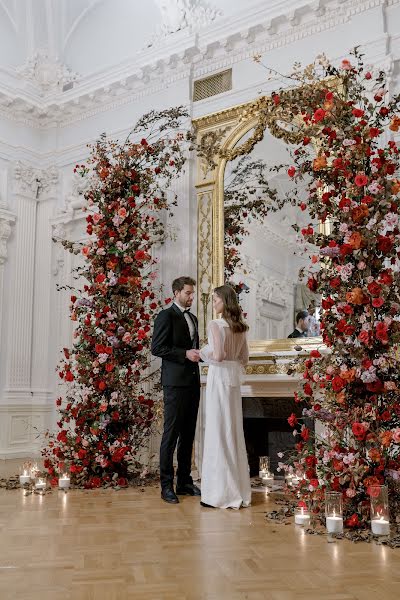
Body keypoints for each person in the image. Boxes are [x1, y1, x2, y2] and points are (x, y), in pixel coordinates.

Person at [199, 284, 251, 509]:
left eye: (216, 299)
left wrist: (201, 353)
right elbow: (245, 358)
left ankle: (219, 494)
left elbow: (218, 356)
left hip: (219, 379)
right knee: (232, 430)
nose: (214, 303)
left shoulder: (215, 325)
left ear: (225, 301)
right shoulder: (240, 327)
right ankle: (237, 489)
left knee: (217, 431)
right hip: (232, 380)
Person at [151, 276, 201, 504]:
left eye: (192, 293)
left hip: (192, 382)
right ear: (177, 292)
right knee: (170, 435)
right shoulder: (166, 315)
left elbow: (194, 348)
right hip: (174, 383)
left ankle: (184, 482)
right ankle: (166, 487)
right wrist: (184, 354)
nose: (192, 297)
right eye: (188, 293)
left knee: (188, 433)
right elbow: (157, 348)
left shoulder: (193, 318)